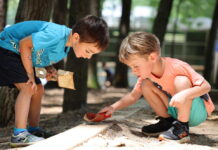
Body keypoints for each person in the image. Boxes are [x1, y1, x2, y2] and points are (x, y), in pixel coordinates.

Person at [0, 15, 109, 147]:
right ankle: (19, 135)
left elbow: (40, 52)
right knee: (28, 87)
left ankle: (33, 130)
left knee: (38, 90)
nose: (88, 56)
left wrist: (49, 68)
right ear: (76, 38)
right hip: (7, 48)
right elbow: (24, 44)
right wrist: (29, 74)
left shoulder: (66, 45)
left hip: (18, 53)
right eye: (88, 51)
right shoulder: (56, 35)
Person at [99, 32, 215, 143]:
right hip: (175, 108)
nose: (133, 71)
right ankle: (167, 123)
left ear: (152, 57)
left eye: (136, 66)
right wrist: (112, 108)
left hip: (196, 111)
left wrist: (184, 94)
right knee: (145, 85)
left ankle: (182, 130)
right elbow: (133, 96)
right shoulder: (147, 75)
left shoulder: (177, 66)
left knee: (181, 80)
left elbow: (206, 86)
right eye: (131, 67)